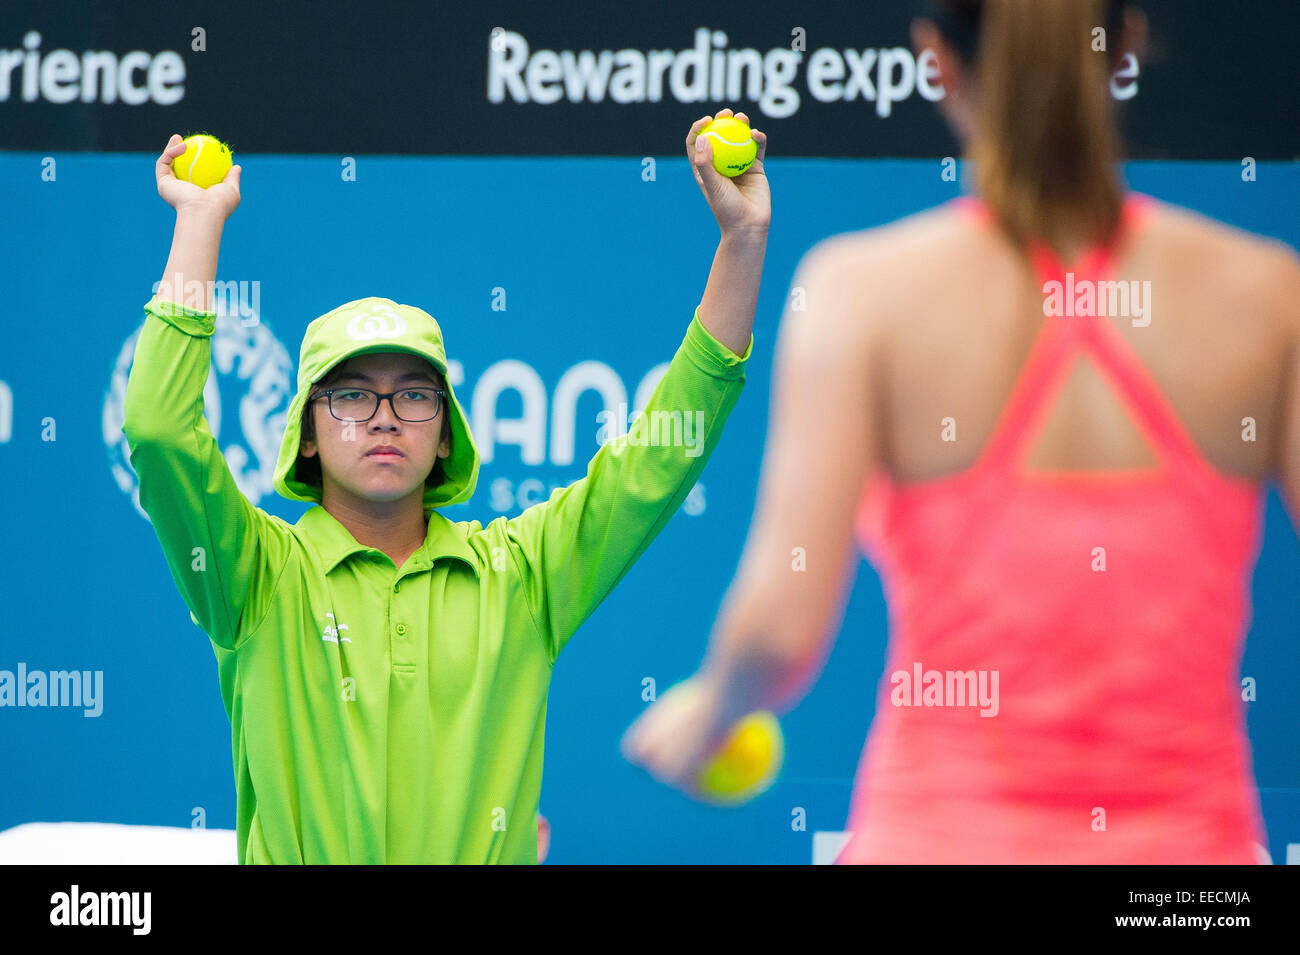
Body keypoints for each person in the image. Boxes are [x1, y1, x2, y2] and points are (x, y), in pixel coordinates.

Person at [621, 0, 1300, 863]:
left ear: (935, 58)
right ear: (1126, 44)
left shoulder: (859, 294)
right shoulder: (1270, 296)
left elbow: (779, 631)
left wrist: (710, 707)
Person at [123, 110, 770, 864]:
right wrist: (199, 221)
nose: (384, 417)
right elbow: (160, 431)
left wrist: (743, 240)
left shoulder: (522, 574)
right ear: (306, 428)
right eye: (352, 395)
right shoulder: (255, 574)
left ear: (446, 433)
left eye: (414, 395)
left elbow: (663, 457)